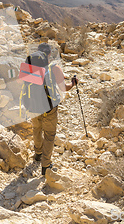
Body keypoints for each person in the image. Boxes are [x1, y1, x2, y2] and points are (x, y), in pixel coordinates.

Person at [30, 43, 77, 175]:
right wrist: (73, 84)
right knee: (49, 135)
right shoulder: (54, 68)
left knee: (37, 129)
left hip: (32, 105)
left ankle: (38, 154)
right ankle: (46, 166)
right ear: (50, 54)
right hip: (49, 107)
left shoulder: (30, 68)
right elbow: (64, 88)